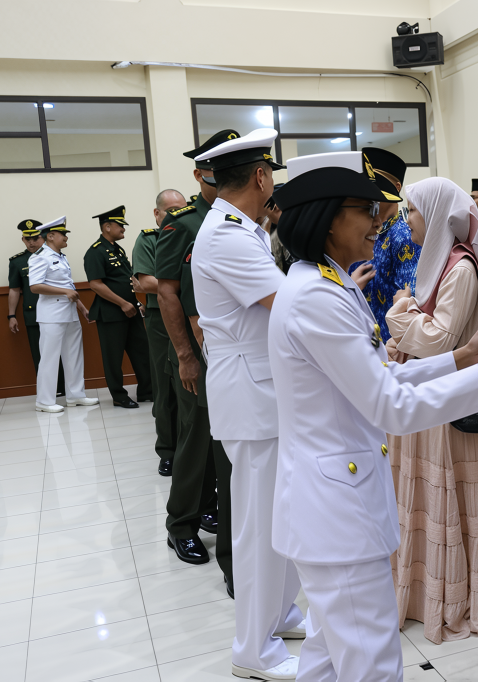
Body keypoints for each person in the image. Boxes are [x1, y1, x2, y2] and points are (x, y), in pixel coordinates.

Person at [269, 150, 478, 681]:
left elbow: (383, 375)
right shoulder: (317, 297)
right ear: (328, 218)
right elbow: (388, 404)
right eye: (366, 210)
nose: (380, 221)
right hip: (338, 514)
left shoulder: (325, 284)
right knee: (372, 665)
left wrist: (464, 358)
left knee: (327, 659)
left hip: (336, 504)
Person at [191, 128, 303, 680]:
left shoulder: (240, 227)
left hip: (263, 387)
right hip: (251, 393)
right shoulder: (228, 235)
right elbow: (286, 303)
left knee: (280, 511)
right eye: (271, 173)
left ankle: (280, 615)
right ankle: (254, 651)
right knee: (259, 525)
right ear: (260, 176)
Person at [384, 177, 478, 644]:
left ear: (437, 214)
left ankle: (453, 596)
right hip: (432, 396)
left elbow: (439, 339)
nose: (408, 222)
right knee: (430, 500)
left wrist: (399, 314)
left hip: (447, 406)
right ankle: (424, 590)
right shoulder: (440, 262)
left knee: (449, 499)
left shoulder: (459, 268)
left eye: (413, 212)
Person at [157, 129, 239, 564]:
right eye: (213, 170)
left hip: (226, 348)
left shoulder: (236, 217)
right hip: (194, 352)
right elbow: (167, 291)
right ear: (199, 174)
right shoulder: (184, 221)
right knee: (196, 439)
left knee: (223, 440)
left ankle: (209, 507)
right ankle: (181, 524)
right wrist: (186, 356)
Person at [133, 190, 187, 475]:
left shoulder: (191, 232)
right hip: (160, 318)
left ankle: (194, 448)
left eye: (182, 209)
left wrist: (167, 283)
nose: (177, 215)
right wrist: (184, 283)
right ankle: (168, 450)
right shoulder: (148, 240)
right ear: (157, 214)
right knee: (165, 385)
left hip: (193, 315)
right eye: (171, 210)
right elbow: (145, 282)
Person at [28, 217, 99, 413]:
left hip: (70, 312)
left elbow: (69, 287)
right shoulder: (39, 257)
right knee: (49, 358)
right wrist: (64, 292)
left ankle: (76, 395)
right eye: (63, 234)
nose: (66, 237)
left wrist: (82, 308)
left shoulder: (61, 257)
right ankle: (44, 401)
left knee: (74, 355)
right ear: (51, 236)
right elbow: (35, 286)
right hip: (51, 315)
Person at [84, 205, 152, 408]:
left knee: (142, 351)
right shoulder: (95, 252)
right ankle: (119, 396)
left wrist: (136, 303)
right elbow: (95, 284)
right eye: (120, 225)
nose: (123, 228)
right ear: (107, 227)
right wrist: (122, 304)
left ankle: (147, 391)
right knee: (113, 357)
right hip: (111, 313)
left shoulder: (117, 249)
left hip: (131, 310)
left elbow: (126, 281)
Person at [352, 147, 420, 341]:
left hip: (391, 343)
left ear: (396, 187)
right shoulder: (359, 232)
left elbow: (408, 298)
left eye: (377, 182)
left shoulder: (404, 236)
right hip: (358, 334)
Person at [8, 219, 65, 397]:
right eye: (28, 239)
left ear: (43, 237)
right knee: (39, 353)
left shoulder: (55, 255)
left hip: (57, 310)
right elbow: (14, 290)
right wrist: (11, 315)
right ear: (23, 239)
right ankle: (48, 390)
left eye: (35, 238)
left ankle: (63, 387)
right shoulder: (18, 262)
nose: (31, 242)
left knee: (61, 350)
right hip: (33, 313)